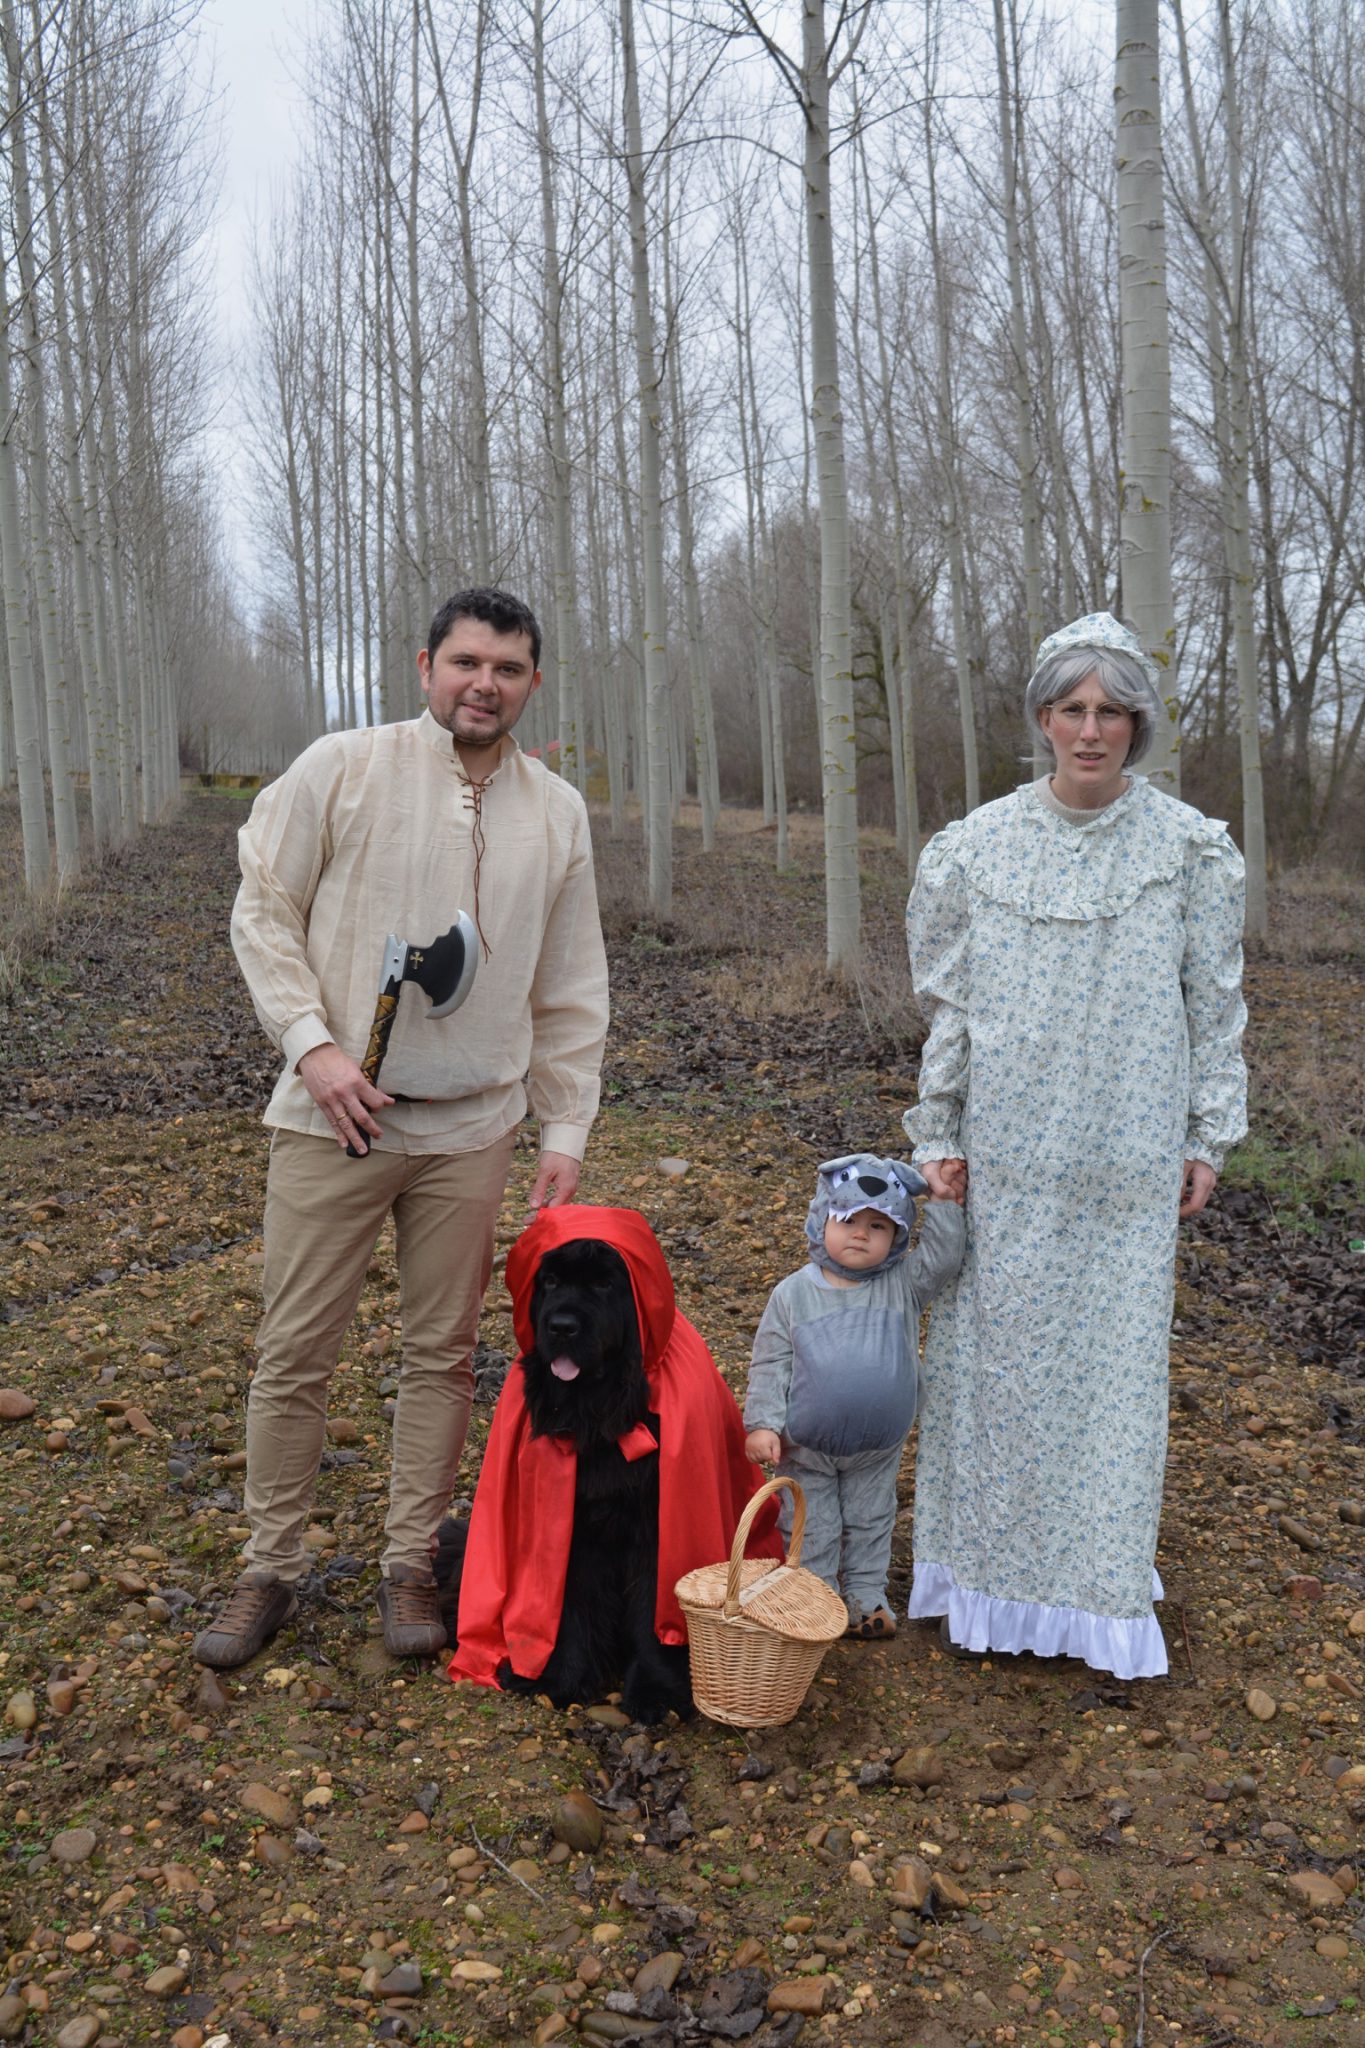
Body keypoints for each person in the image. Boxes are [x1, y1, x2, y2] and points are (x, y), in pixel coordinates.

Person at [193, 586, 609, 1669]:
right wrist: (311, 1044)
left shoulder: (557, 809)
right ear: (426, 665)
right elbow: (260, 905)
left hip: (473, 1125)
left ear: (532, 683)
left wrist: (564, 1125)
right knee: (294, 1350)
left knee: (441, 1352)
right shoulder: (344, 766)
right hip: (336, 1116)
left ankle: (409, 1561)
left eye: (508, 668)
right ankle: (268, 1564)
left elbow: (571, 982)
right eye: (467, 662)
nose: (486, 683)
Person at [904, 612, 1248, 1680]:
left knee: (1113, 1380)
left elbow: (1216, 1003)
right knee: (999, 1369)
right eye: (1072, 708)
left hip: (1127, 1161)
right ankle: (993, 1585)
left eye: (1112, 711)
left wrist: (1208, 1133)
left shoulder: (1191, 851)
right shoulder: (974, 850)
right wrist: (938, 1131)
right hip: (1008, 1158)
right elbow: (952, 1008)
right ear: (1044, 718)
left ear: (1136, 722)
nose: (1091, 729)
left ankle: (1095, 1585)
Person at [743, 1154, 966, 1639]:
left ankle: (867, 1596)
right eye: (847, 1221)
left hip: (876, 1447)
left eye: (878, 1226)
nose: (861, 1234)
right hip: (806, 1447)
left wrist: (945, 1203)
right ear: (822, 1217)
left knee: (871, 1519)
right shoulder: (792, 1294)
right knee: (811, 1522)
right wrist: (761, 1423)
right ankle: (818, 1597)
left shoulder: (900, 1284)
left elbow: (944, 1260)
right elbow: (770, 1362)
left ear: (898, 1237)